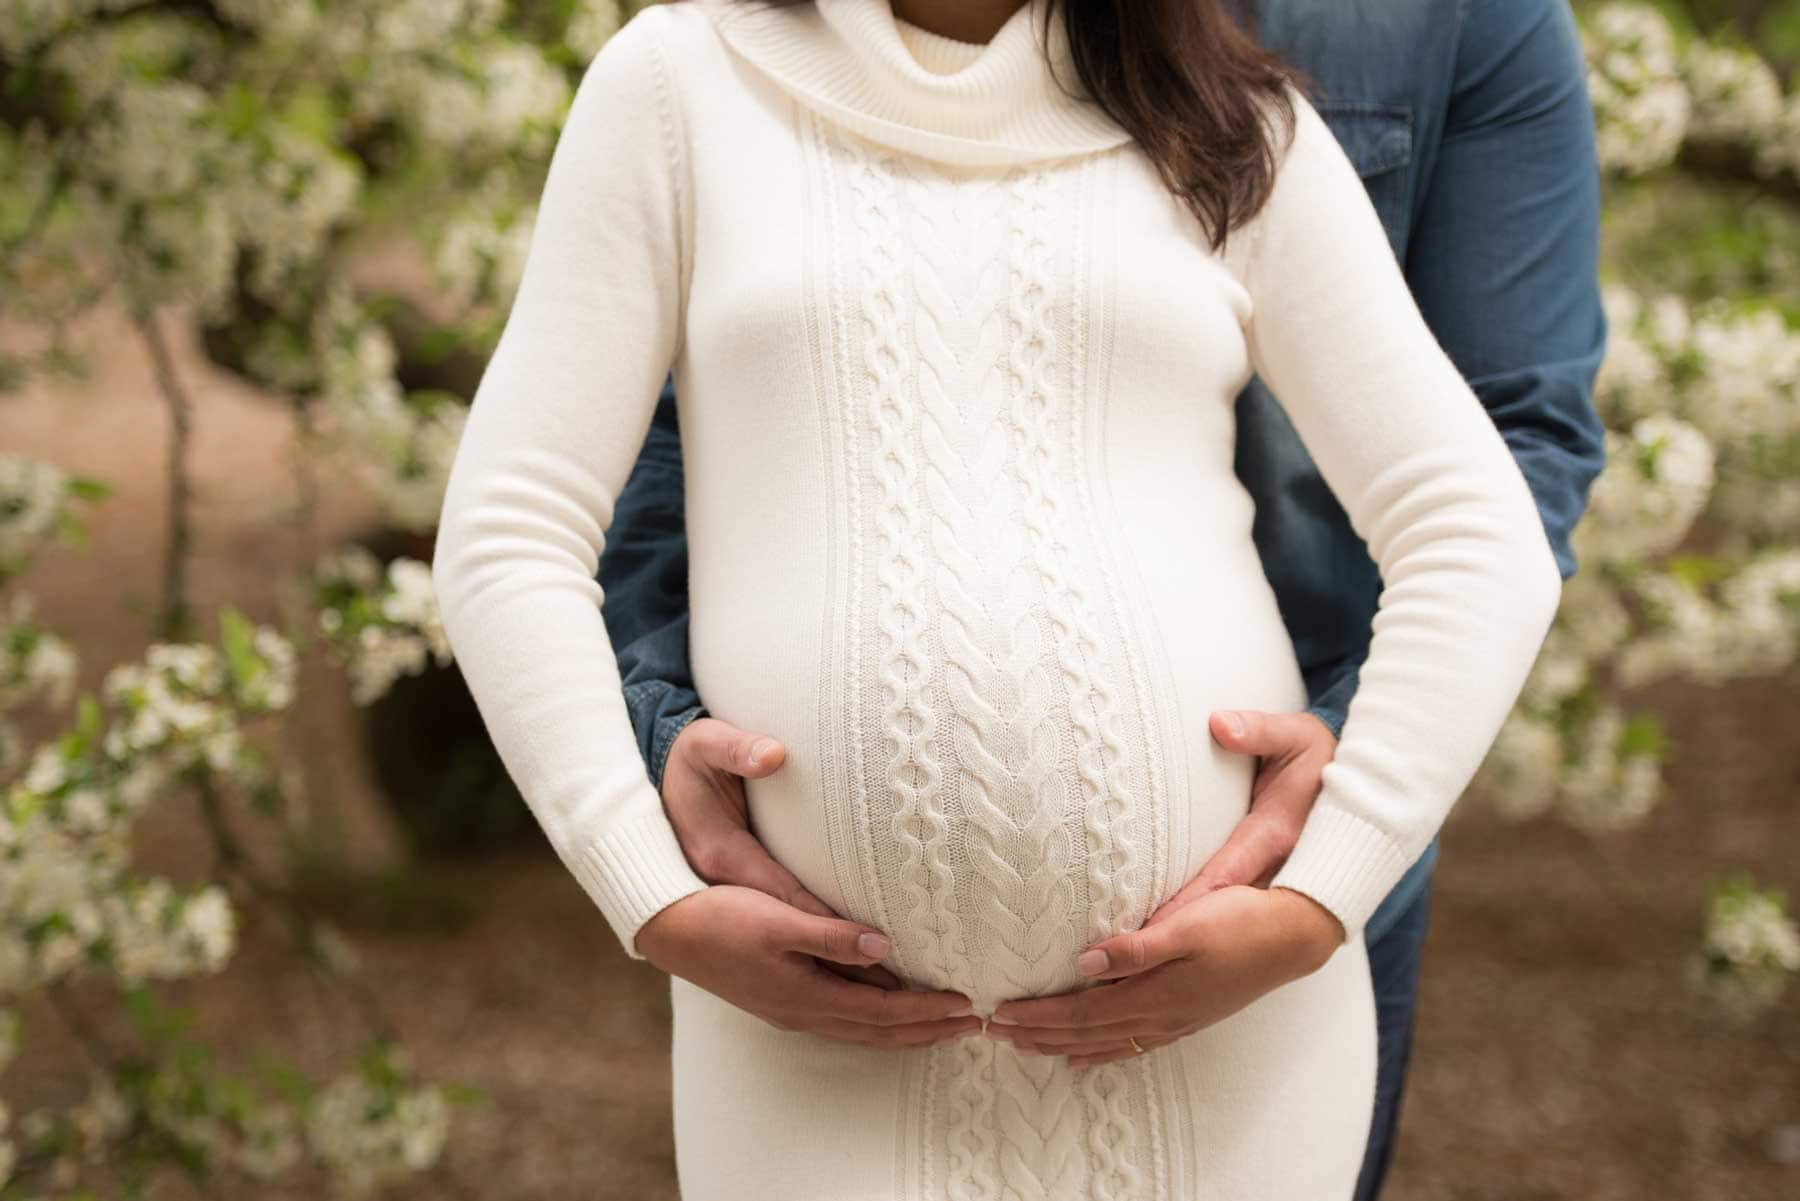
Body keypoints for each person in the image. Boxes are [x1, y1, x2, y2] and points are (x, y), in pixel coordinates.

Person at [429, 1, 1590, 1196]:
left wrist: (1322, 890)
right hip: (808, 1052)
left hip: (1222, 1045)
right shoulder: (676, 85)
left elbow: (1477, 527)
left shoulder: (1233, 121)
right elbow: (509, 528)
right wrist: (647, 889)